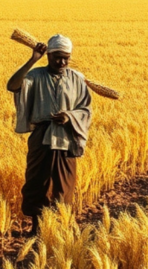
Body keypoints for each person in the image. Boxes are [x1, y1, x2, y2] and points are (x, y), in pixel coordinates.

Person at [6, 34, 92, 236]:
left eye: (66, 58)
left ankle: (61, 228)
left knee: (64, 185)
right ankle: (37, 227)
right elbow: (12, 86)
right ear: (49, 55)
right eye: (57, 57)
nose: (61, 62)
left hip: (66, 139)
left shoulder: (77, 79)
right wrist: (33, 58)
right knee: (38, 181)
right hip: (42, 137)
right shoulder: (35, 76)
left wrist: (69, 117)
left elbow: (85, 109)